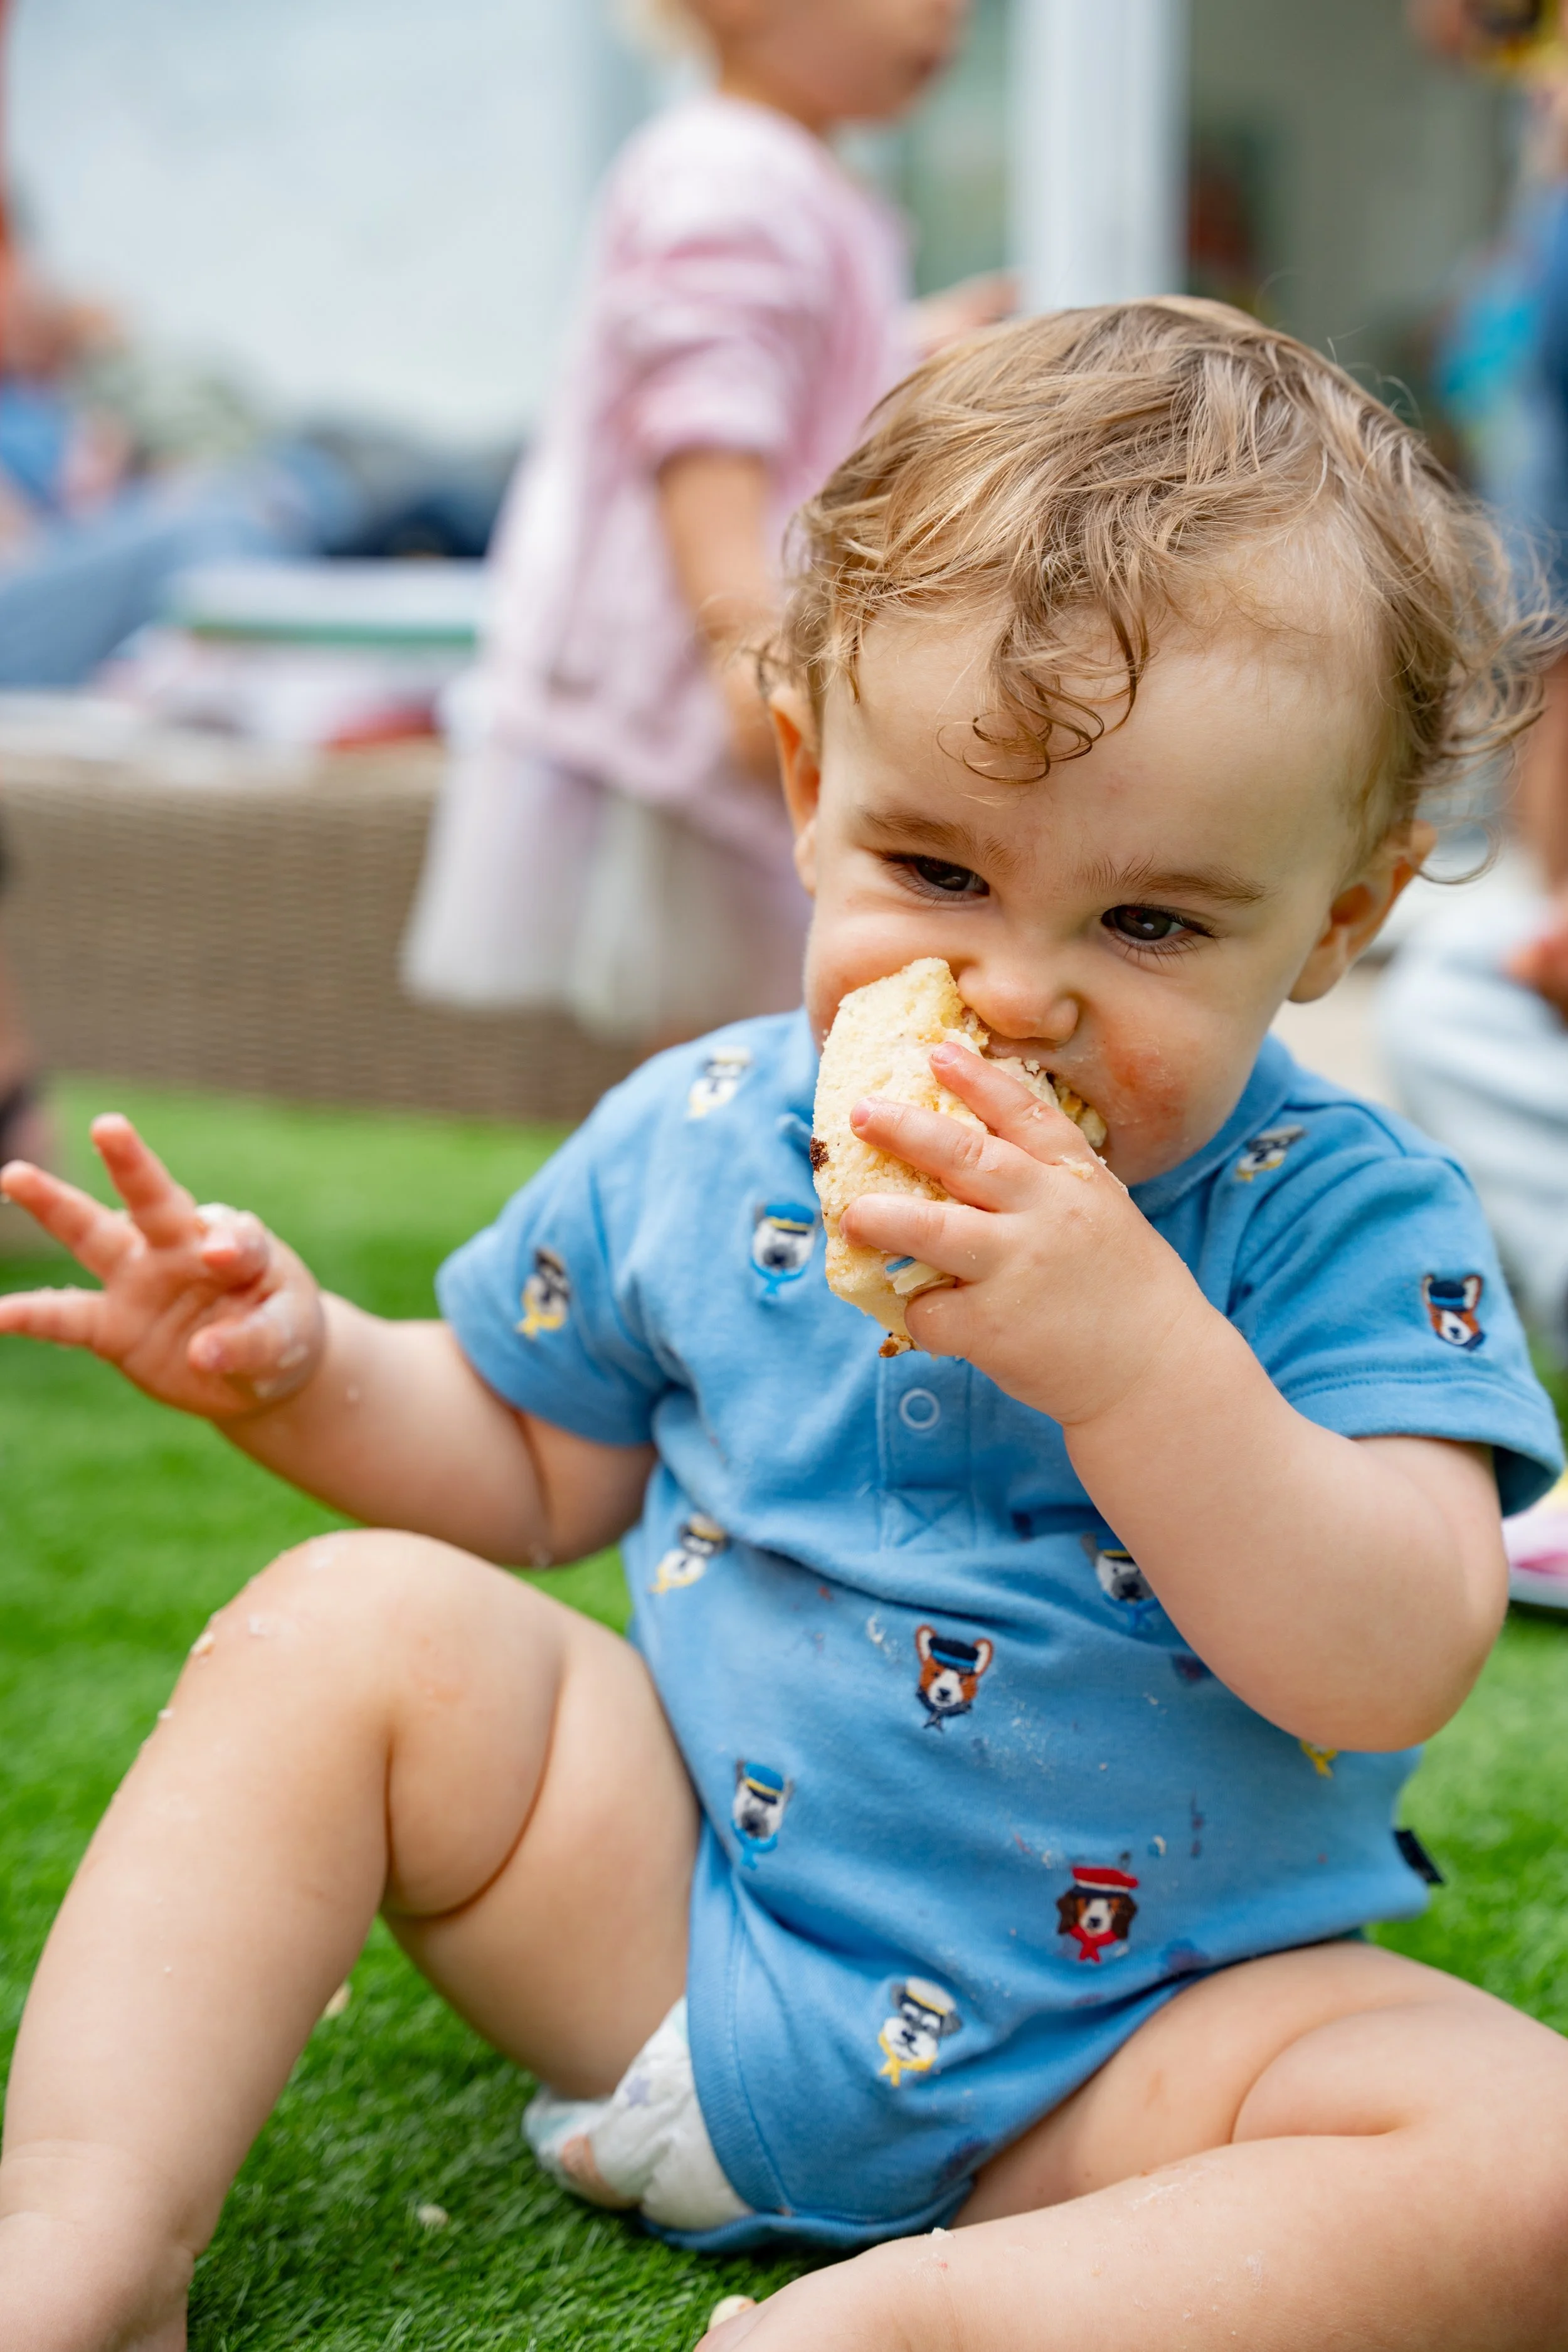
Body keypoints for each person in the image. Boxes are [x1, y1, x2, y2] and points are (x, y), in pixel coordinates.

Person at [5, 301, 1568, 2352]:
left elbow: (1389, 1655)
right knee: (342, 1625)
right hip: (687, 1940)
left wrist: (1128, 1347)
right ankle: (81, 2237)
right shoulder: (710, 1131)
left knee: (1532, 2164)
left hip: (1149, 2048)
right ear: (813, 787)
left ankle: (941, 2320)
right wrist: (306, 1372)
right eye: (933, 869)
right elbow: (524, 1454)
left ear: (1341, 915)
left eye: (1153, 922)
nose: (1019, 993)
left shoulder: (1348, 1219)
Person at [401, 0, 1010, 1045]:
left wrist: (911, 351)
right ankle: (703, 1195)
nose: (951, 13)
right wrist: (744, 647)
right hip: (700, 680)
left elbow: (793, 381)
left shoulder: (798, 174)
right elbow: (704, 431)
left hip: (744, 666)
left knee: (768, 1010)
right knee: (727, 1024)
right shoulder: (729, 173)